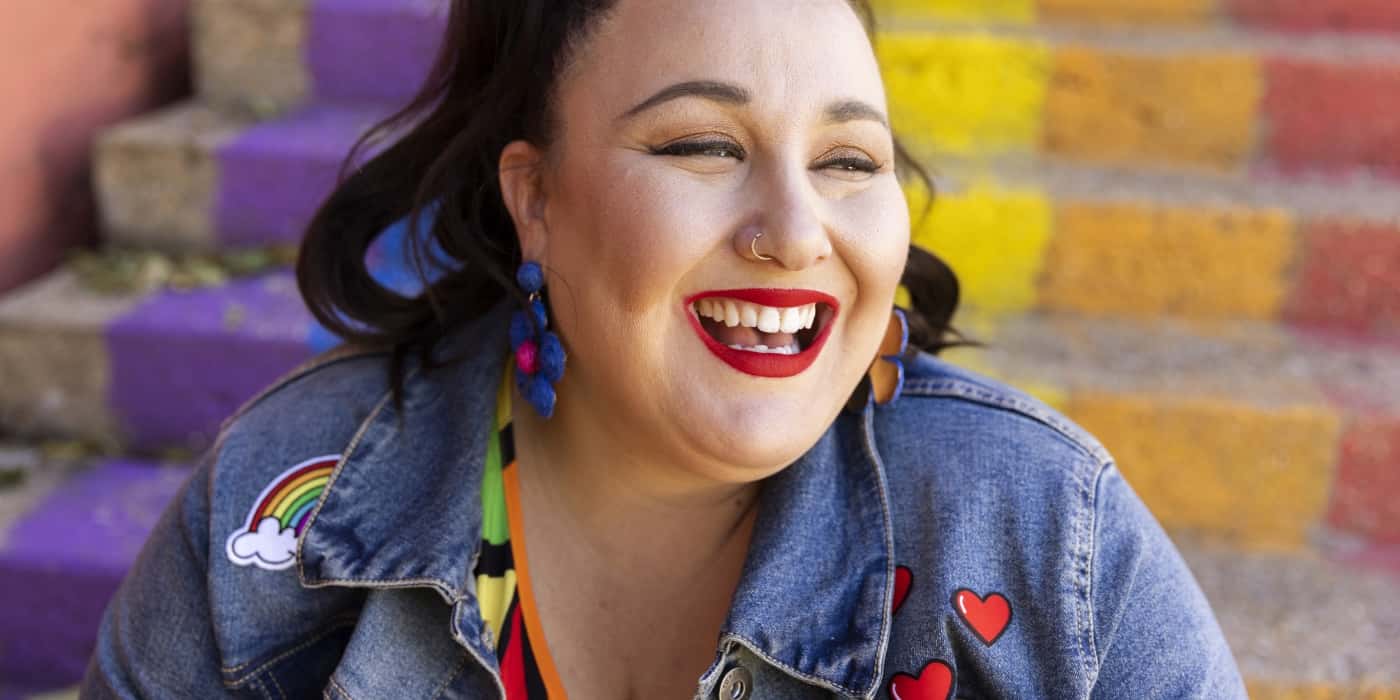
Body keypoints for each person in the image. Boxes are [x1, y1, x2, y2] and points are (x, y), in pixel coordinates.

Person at [82, 0, 1247, 697]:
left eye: (848, 161)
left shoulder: (1045, 533)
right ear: (535, 201)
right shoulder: (277, 513)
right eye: (699, 144)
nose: (795, 234)